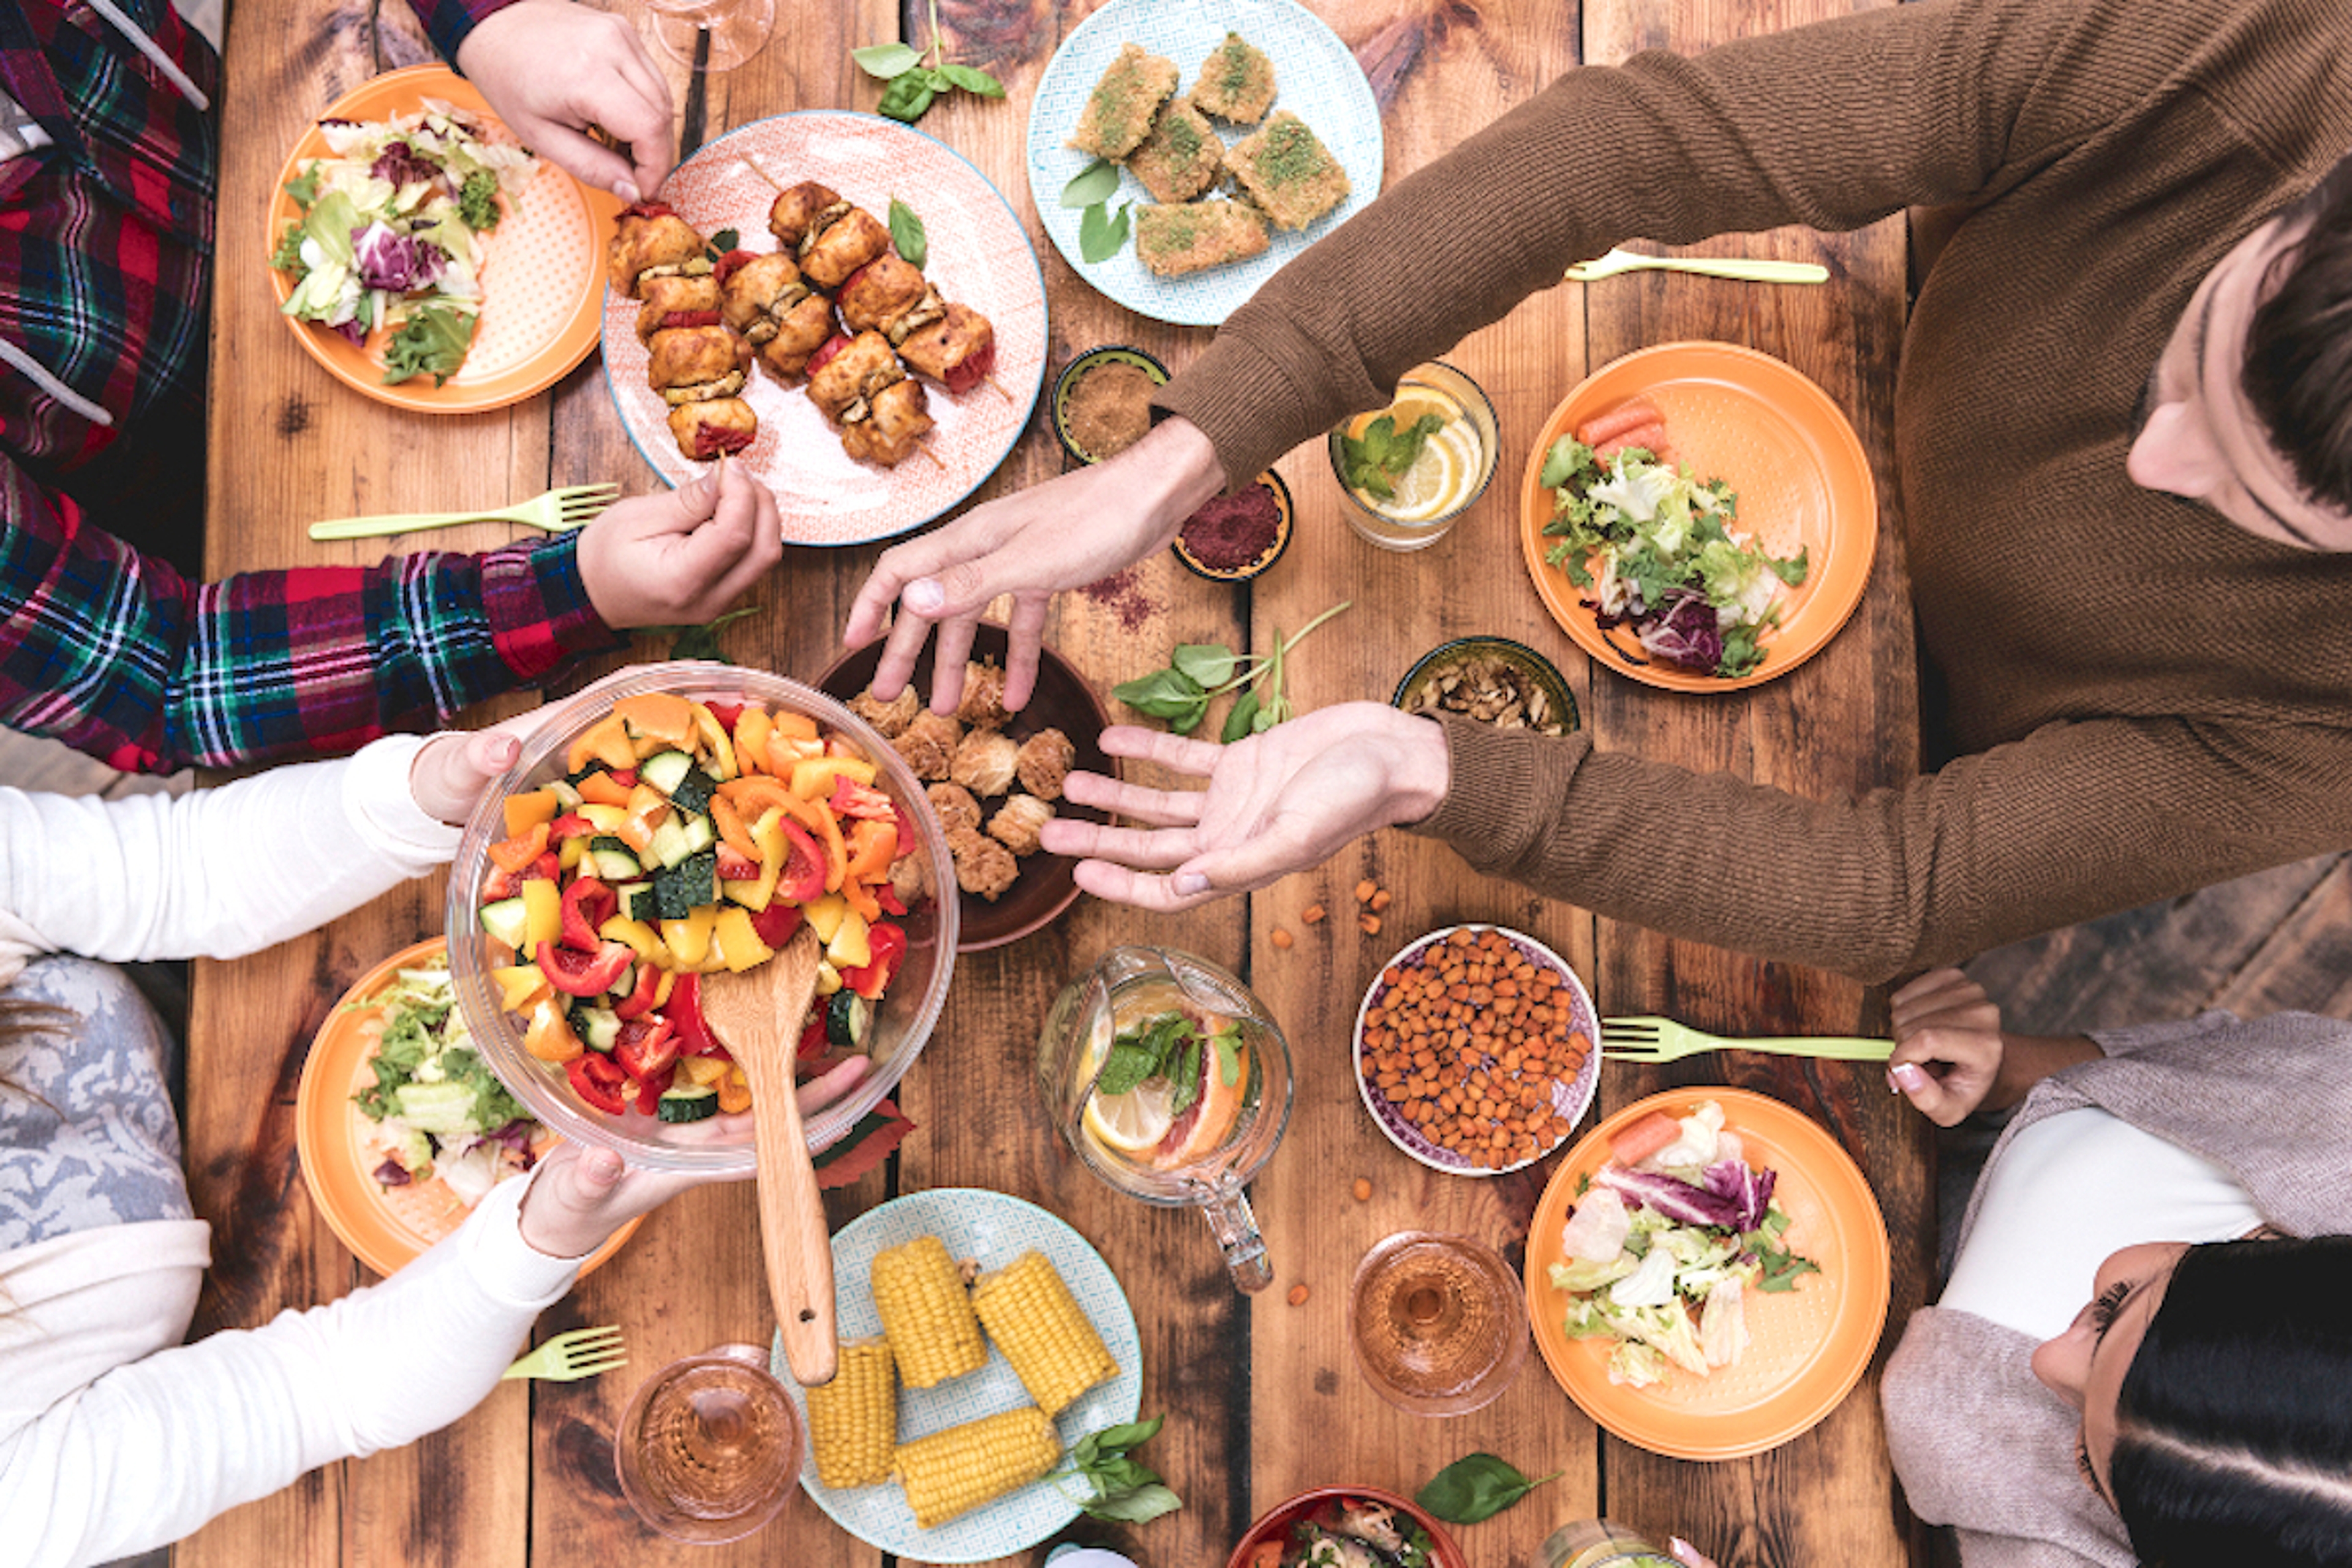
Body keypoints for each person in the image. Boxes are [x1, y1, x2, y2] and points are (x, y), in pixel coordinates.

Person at [846, 0, 2352, 985]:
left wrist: (1428, 769)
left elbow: (1898, 888)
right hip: (1875, 343)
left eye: (2257, 511)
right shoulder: (2254, 45)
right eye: (2193, 352)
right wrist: (1186, 450)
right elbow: (1637, 146)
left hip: (1998, 727)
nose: (2143, 466)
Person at [0, 704, 866, 1564]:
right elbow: (326, 1393)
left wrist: (415, 794)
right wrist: (540, 1235)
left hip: (170, 1006)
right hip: (259, 1233)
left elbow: (174, 871)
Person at [1, 0, 782, 775]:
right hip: (139, 481)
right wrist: (570, 594)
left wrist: (489, 20)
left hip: (232, 154)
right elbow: (159, 677)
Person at [1877, 968, 2352, 1566]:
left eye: (2088, 1465)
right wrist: (2006, 1074)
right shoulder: (2338, 1109)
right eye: (2114, 1307)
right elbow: (2200, 1054)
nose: (2045, 1361)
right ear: (2270, 1247)